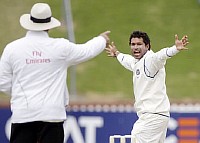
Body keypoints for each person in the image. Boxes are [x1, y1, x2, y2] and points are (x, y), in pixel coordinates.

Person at [0, 3, 110, 143]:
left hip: (23, 114)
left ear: (30, 22)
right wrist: (101, 39)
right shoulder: (60, 47)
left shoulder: (12, 49)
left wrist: (21, 93)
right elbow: (86, 51)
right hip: (51, 115)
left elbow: (2, 82)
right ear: (49, 25)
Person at [105, 30, 189, 143]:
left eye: (139, 44)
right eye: (133, 44)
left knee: (136, 135)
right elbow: (127, 60)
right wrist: (117, 54)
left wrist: (175, 48)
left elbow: (161, 55)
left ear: (147, 46)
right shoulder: (137, 62)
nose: (135, 47)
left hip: (152, 116)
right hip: (157, 115)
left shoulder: (151, 60)